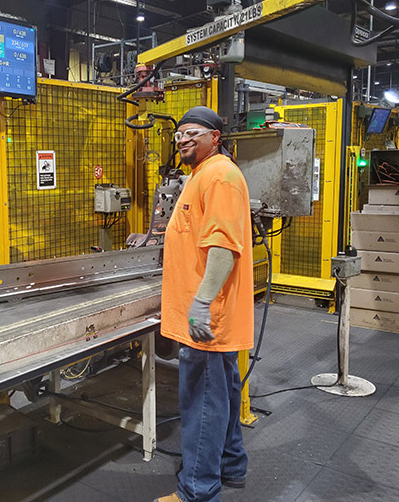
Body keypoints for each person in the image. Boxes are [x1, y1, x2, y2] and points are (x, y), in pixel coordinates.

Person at [155, 106, 255, 502]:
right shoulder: (200, 176)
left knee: (202, 402)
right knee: (223, 393)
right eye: (179, 134)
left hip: (206, 319)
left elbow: (223, 248)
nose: (183, 139)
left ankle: (196, 490)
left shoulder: (220, 176)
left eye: (193, 132)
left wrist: (200, 303)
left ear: (215, 137)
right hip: (206, 314)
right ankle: (231, 466)